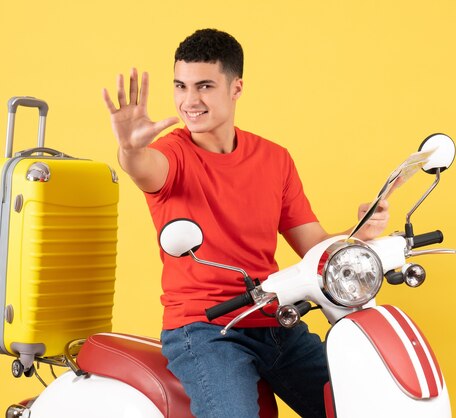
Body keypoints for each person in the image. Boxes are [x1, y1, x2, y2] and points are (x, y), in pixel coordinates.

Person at [103, 28, 389, 418]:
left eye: (204, 86)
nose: (190, 101)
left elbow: (315, 245)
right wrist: (130, 148)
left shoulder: (274, 159)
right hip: (205, 330)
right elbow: (144, 169)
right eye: (181, 86)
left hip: (275, 318)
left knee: (361, 405)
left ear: (236, 88)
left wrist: (359, 234)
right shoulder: (170, 154)